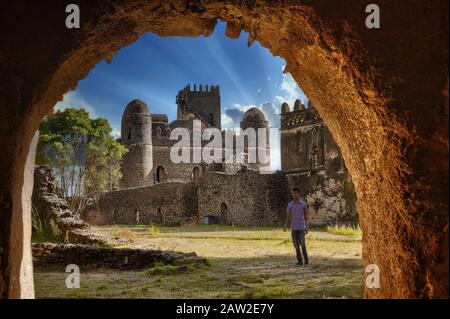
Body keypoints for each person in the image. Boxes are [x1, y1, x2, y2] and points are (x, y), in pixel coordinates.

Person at [284, 188, 309, 266]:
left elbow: (305, 216)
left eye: (295, 193)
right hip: (294, 228)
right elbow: (288, 216)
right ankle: (300, 261)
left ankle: (306, 260)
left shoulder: (303, 204)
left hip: (301, 227)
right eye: (293, 193)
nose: (294, 195)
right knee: (296, 246)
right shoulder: (290, 205)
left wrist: (306, 227)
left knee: (302, 244)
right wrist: (285, 225)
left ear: (299, 194)